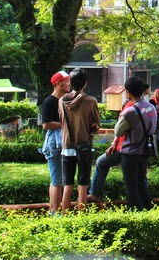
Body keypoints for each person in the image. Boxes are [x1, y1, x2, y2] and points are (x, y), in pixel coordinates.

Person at [59, 68, 101, 212]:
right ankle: (81, 218)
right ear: (85, 83)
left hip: (66, 146)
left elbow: (61, 121)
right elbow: (95, 126)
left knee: (67, 185)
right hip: (83, 146)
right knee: (82, 185)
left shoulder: (61, 102)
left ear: (70, 83)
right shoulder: (90, 101)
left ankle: (64, 216)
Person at [115, 76, 157, 210]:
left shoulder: (130, 112)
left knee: (131, 187)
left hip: (130, 154)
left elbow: (118, 131)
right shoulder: (152, 108)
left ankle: (134, 212)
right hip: (144, 151)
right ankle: (147, 208)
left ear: (128, 92)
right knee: (141, 182)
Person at [39, 70, 70, 215]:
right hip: (54, 143)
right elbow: (45, 124)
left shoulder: (65, 100)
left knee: (61, 178)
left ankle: (55, 210)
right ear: (59, 83)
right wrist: (65, 124)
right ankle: (54, 211)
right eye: (67, 81)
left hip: (64, 142)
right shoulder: (49, 101)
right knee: (56, 179)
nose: (69, 84)